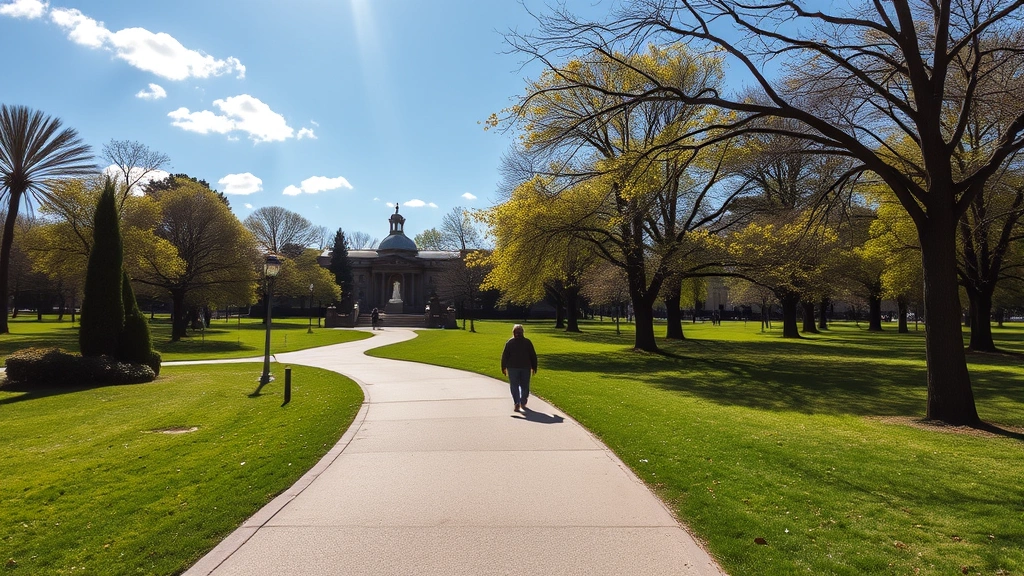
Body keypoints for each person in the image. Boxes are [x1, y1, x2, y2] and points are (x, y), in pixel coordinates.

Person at [501, 324, 537, 413]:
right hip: (513, 368)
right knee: (516, 386)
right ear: (513, 332)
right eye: (516, 332)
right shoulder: (510, 342)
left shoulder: (527, 342)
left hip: (525, 367)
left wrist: (534, 366)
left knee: (523, 386)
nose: (518, 334)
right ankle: (517, 402)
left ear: (522, 332)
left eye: (519, 332)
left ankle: (522, 400)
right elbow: (505, 356)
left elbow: (533, 355)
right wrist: (503, 367)